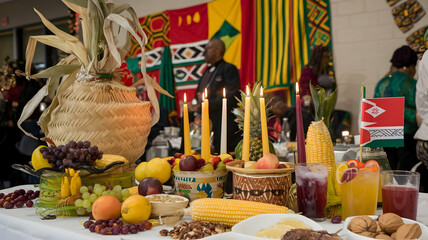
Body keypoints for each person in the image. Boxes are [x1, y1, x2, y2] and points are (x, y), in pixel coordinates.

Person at [188, 38, 241, 153]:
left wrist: (206, 105)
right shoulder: (206, 72)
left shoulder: (229, 69)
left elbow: (232, 96)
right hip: (204, 126)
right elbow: (198, 96)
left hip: (222, 127)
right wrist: (193, 105)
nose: (204, 52)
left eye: (208, 49)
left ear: (218, 51)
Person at [374, 45, 418, 171]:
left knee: (387, 171)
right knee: (405, 172)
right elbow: (419, 112)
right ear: (411, 66)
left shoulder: (382, 82)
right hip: (406, 135)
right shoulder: (412, 84)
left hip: (382, 134)